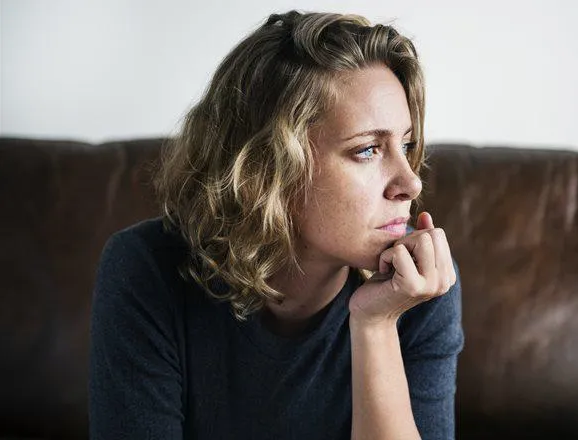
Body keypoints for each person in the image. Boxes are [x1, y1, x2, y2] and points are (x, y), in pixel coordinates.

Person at [89, 10, 463, 440]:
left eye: (407, 143)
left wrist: (375, 325)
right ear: (267, 169)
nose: (410, 181)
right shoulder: (146, 270)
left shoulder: (421, 286)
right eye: (366, 150)